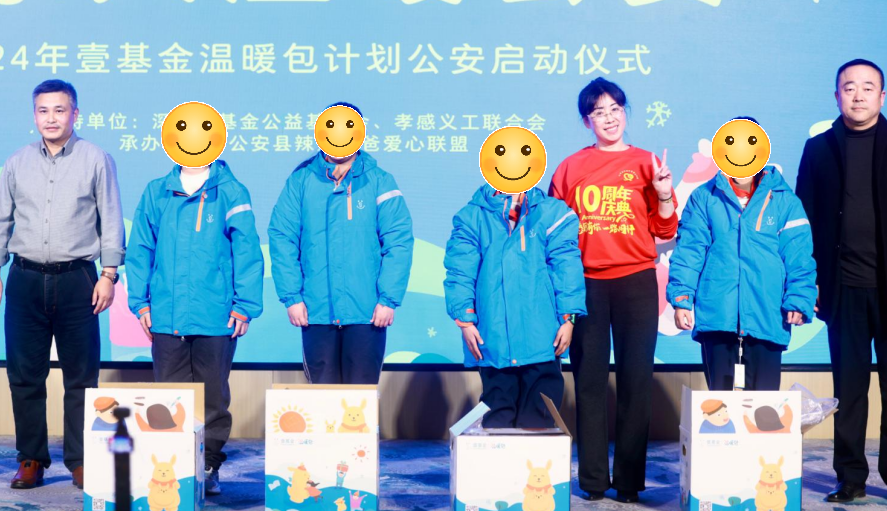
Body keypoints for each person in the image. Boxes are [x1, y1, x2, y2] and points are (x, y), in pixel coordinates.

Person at [0, 80, 125, 491]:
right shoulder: (17, 162)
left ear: (75, 114)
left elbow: (111, 218)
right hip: (25, 278)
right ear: (34, 115)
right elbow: (1, 219)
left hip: (78, 279)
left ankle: (80, 461)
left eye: (60, 110)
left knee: (81, 377)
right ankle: (30, 458)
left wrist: (108, 274)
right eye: (43, 110)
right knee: (25, 375)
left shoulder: (96, 158)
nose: (51, 118)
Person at [548, 77, 677, 503]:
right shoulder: (569, 168)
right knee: (589, 382)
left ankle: (628, 481)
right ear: (587, 121)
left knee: (636, 381)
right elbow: (555, 232)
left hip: (636, 281)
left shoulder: (646, 162)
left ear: (625, 113)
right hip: (586, 284)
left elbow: (665, 230)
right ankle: (592, 480)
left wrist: (663, 194)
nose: (609, 118)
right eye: (599, 112)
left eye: (615, 109)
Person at [126, 157, 263, 495]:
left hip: (215, 315)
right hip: (166, 314)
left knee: (212, 397)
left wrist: (245, 305)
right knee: (169, 398)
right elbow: (140, 248)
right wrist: (140, 301)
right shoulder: (157, 191)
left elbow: (247, 250)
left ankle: (209, 464)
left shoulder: (231, 191)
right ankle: (174, 468)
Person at [667, 117, 817, 391]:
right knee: (718, 407)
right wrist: (681, 298)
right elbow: (690, 251)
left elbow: (799, 256)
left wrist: (799, 299)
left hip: (767, 314)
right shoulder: (704, 197)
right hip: (717, 316)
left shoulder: (784, 199)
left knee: (764, 407)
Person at [269, 102, 413, 384]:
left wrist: (388, 299)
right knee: (323, 400)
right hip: (315, 311)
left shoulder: (380, 181)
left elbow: (398, 242)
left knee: (360, 400)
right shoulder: (300, 181)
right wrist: (292, 296)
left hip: (367, 313)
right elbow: (282, 238)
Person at [796, 58, 887, 503]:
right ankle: (850, 478)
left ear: (882, 96)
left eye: (868, 87)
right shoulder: (818, 149)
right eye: (849, 87)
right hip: (843, 288)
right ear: (836, 96)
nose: (858, 95)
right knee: (848, 390)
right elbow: (802, 221)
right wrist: (807, 280)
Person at [443, 171, 585, 427]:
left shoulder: (553, 213)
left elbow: (566, 267)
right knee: (498, 416)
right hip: (493, 335)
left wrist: (569, 318)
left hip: (542, 335)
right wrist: (465, 320)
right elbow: (460, 271)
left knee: (539, 420)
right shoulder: (472, 216)